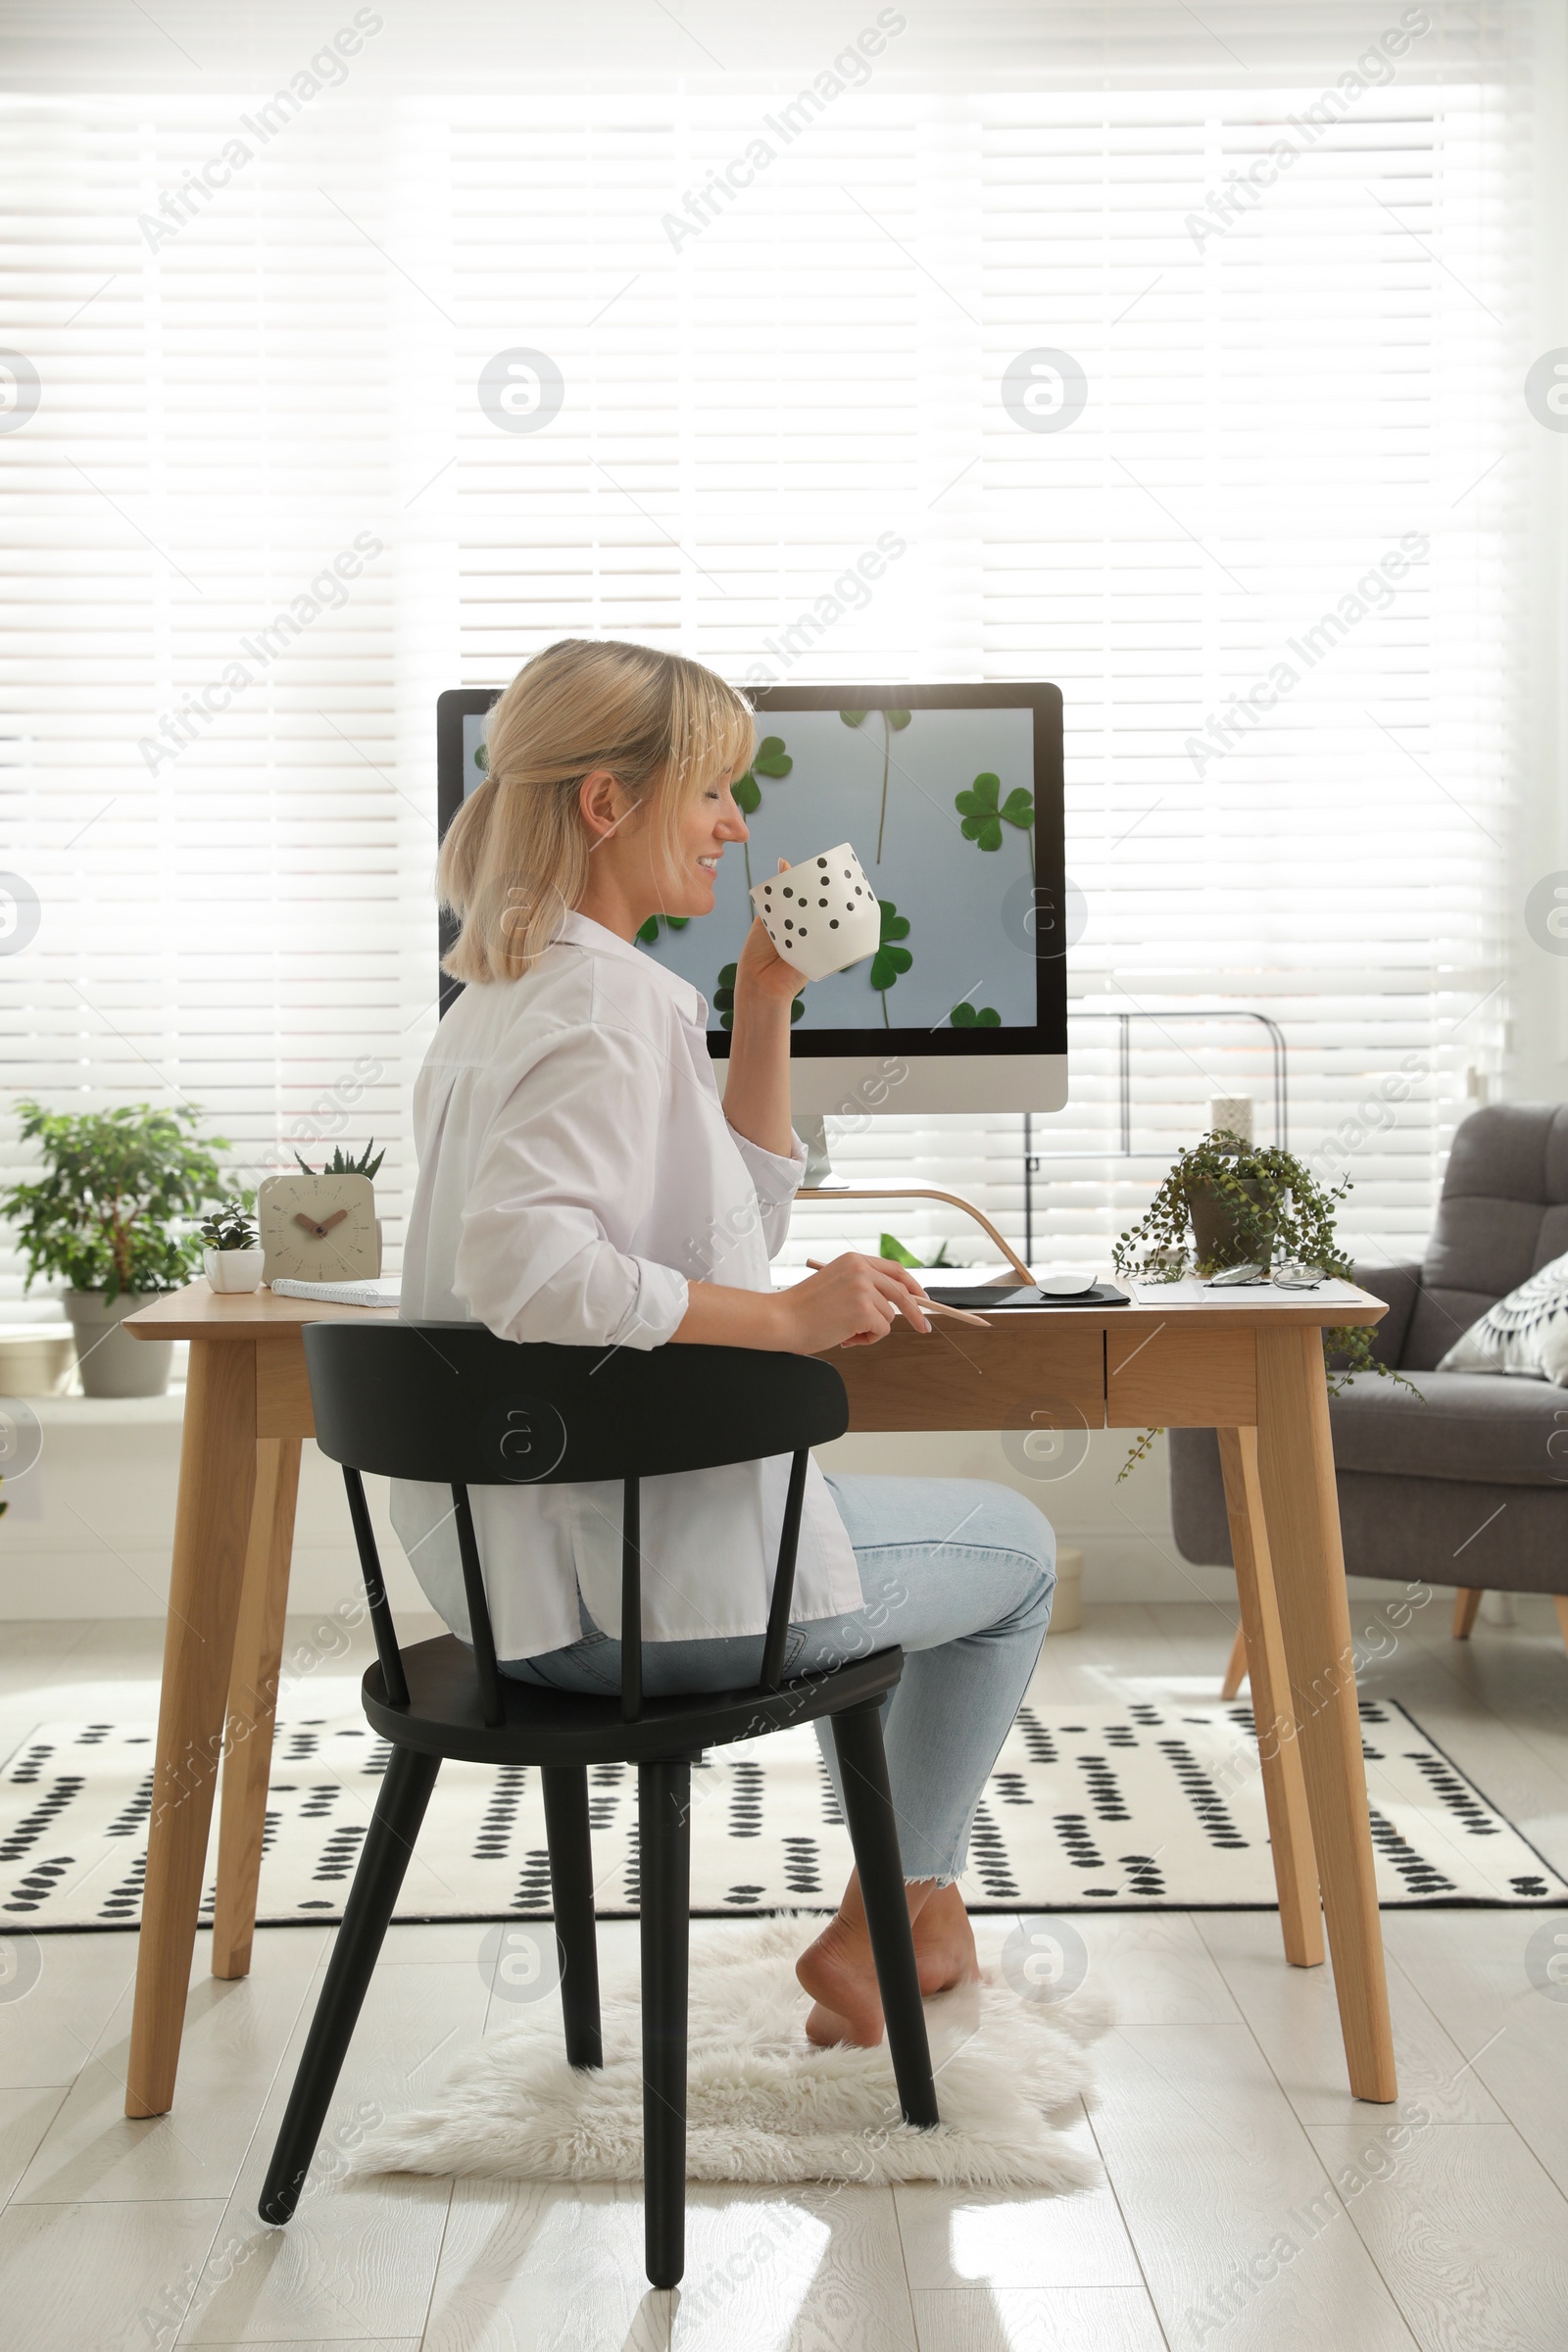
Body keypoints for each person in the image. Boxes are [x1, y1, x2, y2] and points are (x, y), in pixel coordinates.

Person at [392, 638, 1055, 2046]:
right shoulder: (608, 1005)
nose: (739, 826)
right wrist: (790, 1321)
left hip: (511, 1596)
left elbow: (723, 1225)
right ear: (607, 805)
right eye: (715, 792)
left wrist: (764, 1003)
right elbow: (529, 1268)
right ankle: (898, 1917)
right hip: (628, 1609)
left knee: (847, 1530)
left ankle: (917, 1914)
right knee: (1014, 1557)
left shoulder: (501, 1009)